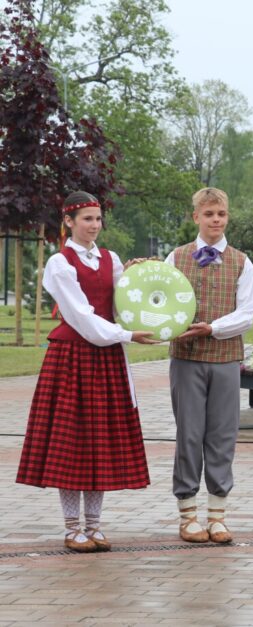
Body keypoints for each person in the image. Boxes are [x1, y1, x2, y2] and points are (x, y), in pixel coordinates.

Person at [17, 191, 158, 552]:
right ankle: (70, 528)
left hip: (106, 357)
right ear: (69, 222)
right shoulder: (59, 264)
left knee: (99, 441)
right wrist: (125, 335)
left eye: (98, 219)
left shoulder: (110, 259)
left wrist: (137, 276)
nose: (94, 225)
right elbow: (81, 317)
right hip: (74, 357)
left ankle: (94, 526)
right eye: (86, 219)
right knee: (73, 442)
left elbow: (120, 301)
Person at [165, 187, 253, 544]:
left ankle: (217, 514)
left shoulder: (241, 261)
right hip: (186, 360)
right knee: (189, 435)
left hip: (225, 359)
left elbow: (247, 312)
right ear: (196, 218)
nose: (215, 220)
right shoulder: (176, 259)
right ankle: (187, 514)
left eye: (220, 214)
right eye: (209, 214)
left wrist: (214, 328)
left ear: (227, 217)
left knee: (222, 436)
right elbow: (163, 303)